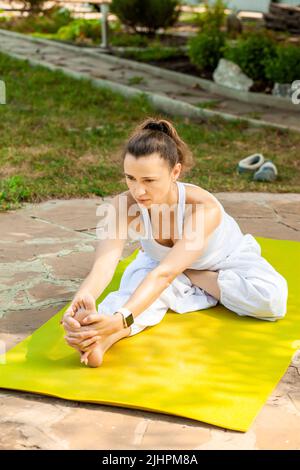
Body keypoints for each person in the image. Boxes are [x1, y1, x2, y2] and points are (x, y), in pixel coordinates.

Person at [61, 117, 288, 368]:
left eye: (149, 180)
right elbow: (103, 266)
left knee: (270, 300)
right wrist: (79, 301)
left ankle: (182, 283)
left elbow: (165, 274)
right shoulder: (123, 205)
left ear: (175, 172)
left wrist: (124, 318)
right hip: (161, 267)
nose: (138, 191)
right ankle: (99, 339)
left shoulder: (202, 207)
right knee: (136, 295)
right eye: (130, 178)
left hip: (223, 263)